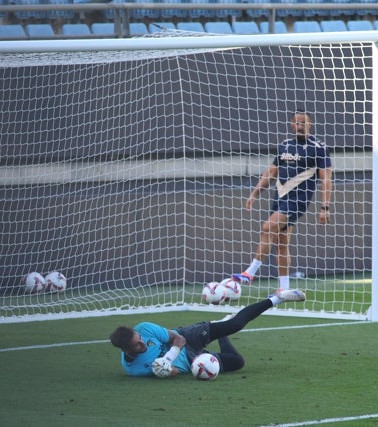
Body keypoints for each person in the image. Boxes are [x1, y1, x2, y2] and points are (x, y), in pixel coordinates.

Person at [232, 109, 333, 291]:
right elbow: (271, 173)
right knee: (281, 242)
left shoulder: (318, 148)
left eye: (304, 123)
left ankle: (249, 273)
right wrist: (254, 194)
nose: (300, 126)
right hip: (279, 197)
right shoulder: (284, 146)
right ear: (291, 124)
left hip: (298, 199)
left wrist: (325, 206)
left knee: (267, 227)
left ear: (310, 124)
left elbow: (326, 177)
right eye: (296, 122)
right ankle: (284, 287)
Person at [109, 288, 306, 378]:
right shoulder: (134, 369)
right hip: (193, 361)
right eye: (138, 345)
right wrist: (167, 371)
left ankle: (276, 299)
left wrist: (169, 356)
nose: (142, 342)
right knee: (238, 362)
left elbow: (178, 338)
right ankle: (221, 331)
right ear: (127, 349)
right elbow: (175, 372)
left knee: (236, 323)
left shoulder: (144, 328)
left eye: (140, 339)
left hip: (188, 336)